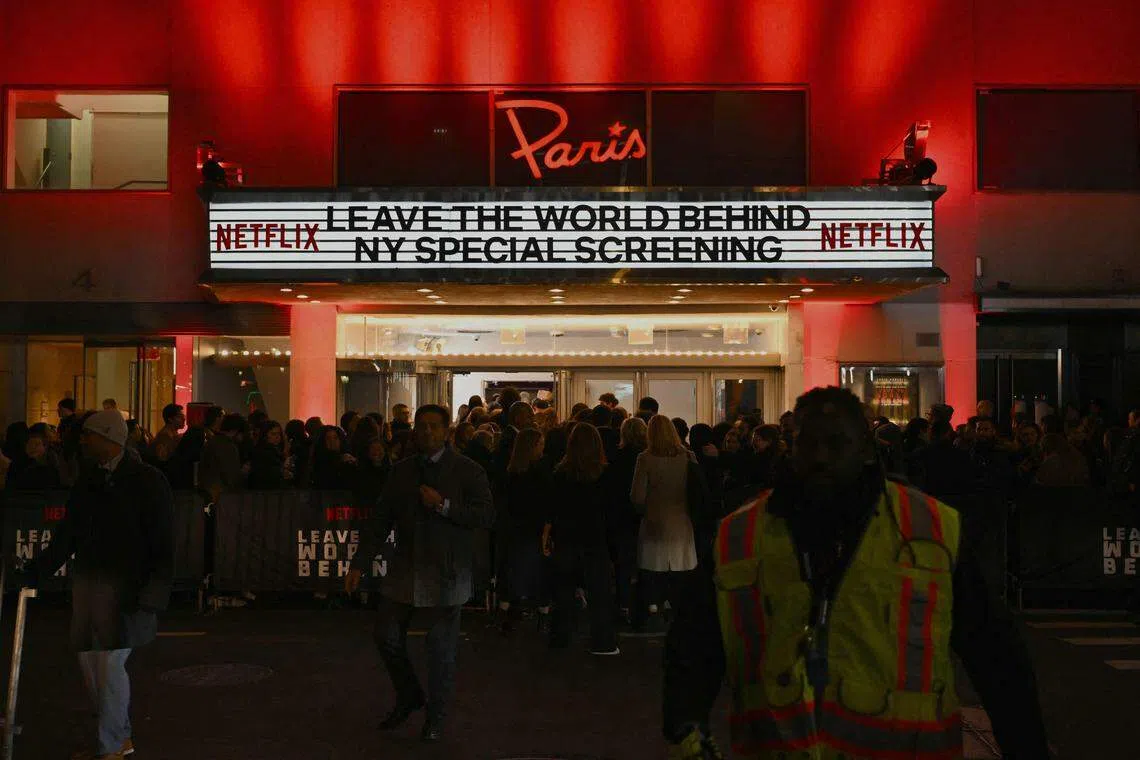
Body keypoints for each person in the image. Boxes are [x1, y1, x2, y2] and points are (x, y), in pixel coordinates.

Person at [664, 387, 1050, 759]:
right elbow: (695, 643)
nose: (820, 456)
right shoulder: (739, 536)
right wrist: (684, 725)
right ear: (790, 448)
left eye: (836, 444)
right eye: (807, 443)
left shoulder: (929, 528)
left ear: (866, 450)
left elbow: (995, 654)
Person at [25, 410, 173, 760]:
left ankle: (111, 746)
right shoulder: (93, 479)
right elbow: (68, 535)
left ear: (107, 438)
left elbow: (163, 540)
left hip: (124, 589)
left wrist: (153, 590)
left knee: (107, 665)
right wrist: (37, 570)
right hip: (93, 585)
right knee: (93, 667)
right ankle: (118, 736)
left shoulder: (145, 481)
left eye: (89, 435)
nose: (83, 441)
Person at [346, 404, 494, 743]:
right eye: (421, 426)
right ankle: (410, 694)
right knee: (385, 635)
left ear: (446, 431)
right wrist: (359, 562)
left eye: (433, 426)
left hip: (447, 570)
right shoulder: (401, 471)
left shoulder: (467, 470)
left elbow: (485, 515)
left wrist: (444, 505)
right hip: (407, 566)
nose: (426, 432)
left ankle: (436, 717)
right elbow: (381, 519)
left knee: (440, 648)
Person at [545, 423, 620, 655]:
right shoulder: (606, 474)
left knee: (563, 590)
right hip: (595, 538)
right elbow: (613, 511)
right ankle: (603, 641)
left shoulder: (560, 473)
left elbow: (552, 508)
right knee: (600, 594)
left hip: (566, 537)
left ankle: (560, 638)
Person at [630, 415, 698, 633]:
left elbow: (637, 496)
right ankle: (679, 613)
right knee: (680, 572)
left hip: (654, 522)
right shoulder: (688, 457)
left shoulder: (645, 458)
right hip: (682, 522)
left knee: (653, 572)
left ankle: (653, 609)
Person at [501, 427, 554, 632]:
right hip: (536, 528)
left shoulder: (511, 473)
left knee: (515, 568)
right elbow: (547, 502)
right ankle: (541, 611)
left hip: (516, 527)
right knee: (539, 571)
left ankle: (511, 608)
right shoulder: (541, 472)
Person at [607, 416, 648, 624]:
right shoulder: (648, 457)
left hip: (621, 516)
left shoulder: (616, 456)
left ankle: (622, 604)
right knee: (644, 562)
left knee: (623, 563)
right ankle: (644, 606)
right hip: (644, 515)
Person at [198, 413, 247, 501]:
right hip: (222, 497)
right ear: (235, 431)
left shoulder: (212, 442)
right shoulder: (228, 446)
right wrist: (243, 472)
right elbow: (231, 476)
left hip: (209, 494)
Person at [309, 426, 357, 490]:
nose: (332, 441)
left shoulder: (348, 457)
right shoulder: (320, 461)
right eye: (328, 438)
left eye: (335, 438)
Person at [248, 420, 288, 490]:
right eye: (273, 434)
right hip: (266, 492)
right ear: (265, 435)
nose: (277, 437)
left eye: (279, 434)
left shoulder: (275, 451)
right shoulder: (263, 452)